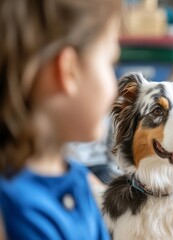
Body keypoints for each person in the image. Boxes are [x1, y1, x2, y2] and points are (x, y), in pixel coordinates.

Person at [0, 0, 121, 239]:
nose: (115, 87)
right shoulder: (15, 208)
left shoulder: (77, 178)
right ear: (68, 71)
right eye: (110, 62)